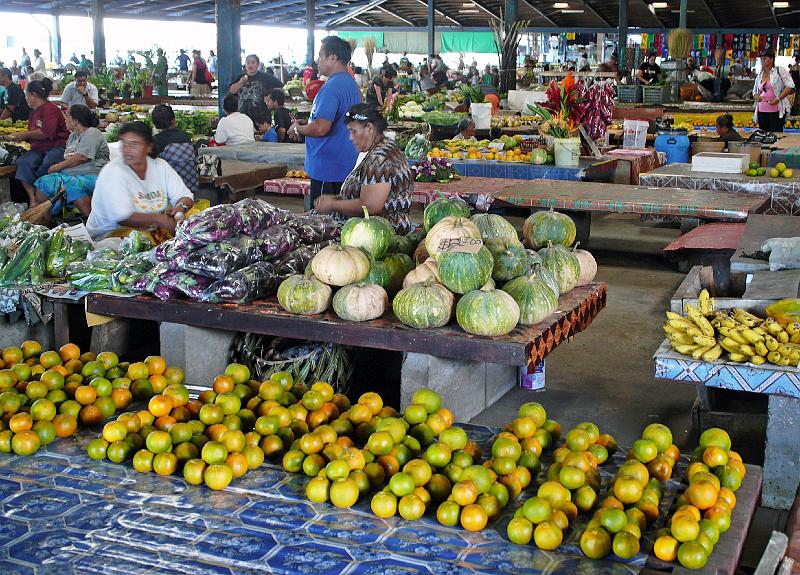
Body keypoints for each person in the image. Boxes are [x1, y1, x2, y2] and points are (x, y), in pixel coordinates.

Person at [313, 104, 412, 235]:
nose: (350, 138)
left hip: (379, 231)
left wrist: (333, 205)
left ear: (370, 128)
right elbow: (369, 191)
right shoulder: (385, 146)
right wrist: (336, 198)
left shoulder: (379, 158)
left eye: (353, 131)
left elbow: (371, 206)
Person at [289, 36, 361, 211]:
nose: (317, 61)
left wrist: (299, 129)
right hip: (345, 164)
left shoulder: (331, 88)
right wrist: (308, 123)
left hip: (327, 168)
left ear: (333, 58)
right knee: (339, 222)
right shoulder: (351, 85)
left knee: (321, 224)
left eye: (320, 55)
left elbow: (322, 128)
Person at [87, 121, 192, 240]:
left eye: (134, 144)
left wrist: (180, 207)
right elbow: (123, 218)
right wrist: (158, 219)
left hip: (147, 229)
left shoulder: (160, 166)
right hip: (109, 235)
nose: (127, 150)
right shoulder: (113, 171)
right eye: (124, 144)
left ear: (149, 147)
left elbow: (184, 195)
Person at [32, 104, 109, 217]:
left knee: (73, 185)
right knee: (43, 182)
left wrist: (57, 167)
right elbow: (70, 158)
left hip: (93, 175)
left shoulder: (92, 133)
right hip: (70, 175)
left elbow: (81, 157)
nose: (65, 118)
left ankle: (92, 221)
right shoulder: (72, 136)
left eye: (67, 116)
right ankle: (46, 220)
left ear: (76, 120)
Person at [6, 78, 68, 205]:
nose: (26, 99)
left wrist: (22, 135)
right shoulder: (34, 112)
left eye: (27, 95)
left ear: (33, 95)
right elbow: (34, 132)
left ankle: (44, 199)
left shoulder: (51, 109)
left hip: (57, 146)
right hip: (39, 148)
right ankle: (32, 198)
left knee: (47, 164)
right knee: (23, 162)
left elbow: (46, 133)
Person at [150, 104, 198, 195]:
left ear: (155, 124)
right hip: (193, 186)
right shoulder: (186, 137)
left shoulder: (156, 142)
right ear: (173, 120)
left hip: (172, 191)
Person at [228, 54, 283, 123]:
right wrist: (240, 83)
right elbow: (232, 91)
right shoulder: (240, 77)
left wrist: (270, 97)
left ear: (257, 65)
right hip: (243, 117)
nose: (250, 65)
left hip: (261, 117)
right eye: (248, 62)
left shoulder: (265, 77)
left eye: (253, 62)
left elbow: (280, 87)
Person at [753, 49, 795, 133]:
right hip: (762, 109)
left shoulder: (779, 70)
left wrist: (778, 98)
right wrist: (756, 96)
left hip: (776, 109)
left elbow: (790, 85)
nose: (763, 60)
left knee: (776, 134)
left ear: (771, 59)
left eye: (765, 58)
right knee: (763, 135)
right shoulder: (760, 75)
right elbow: (754, 91)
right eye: (762, 58)